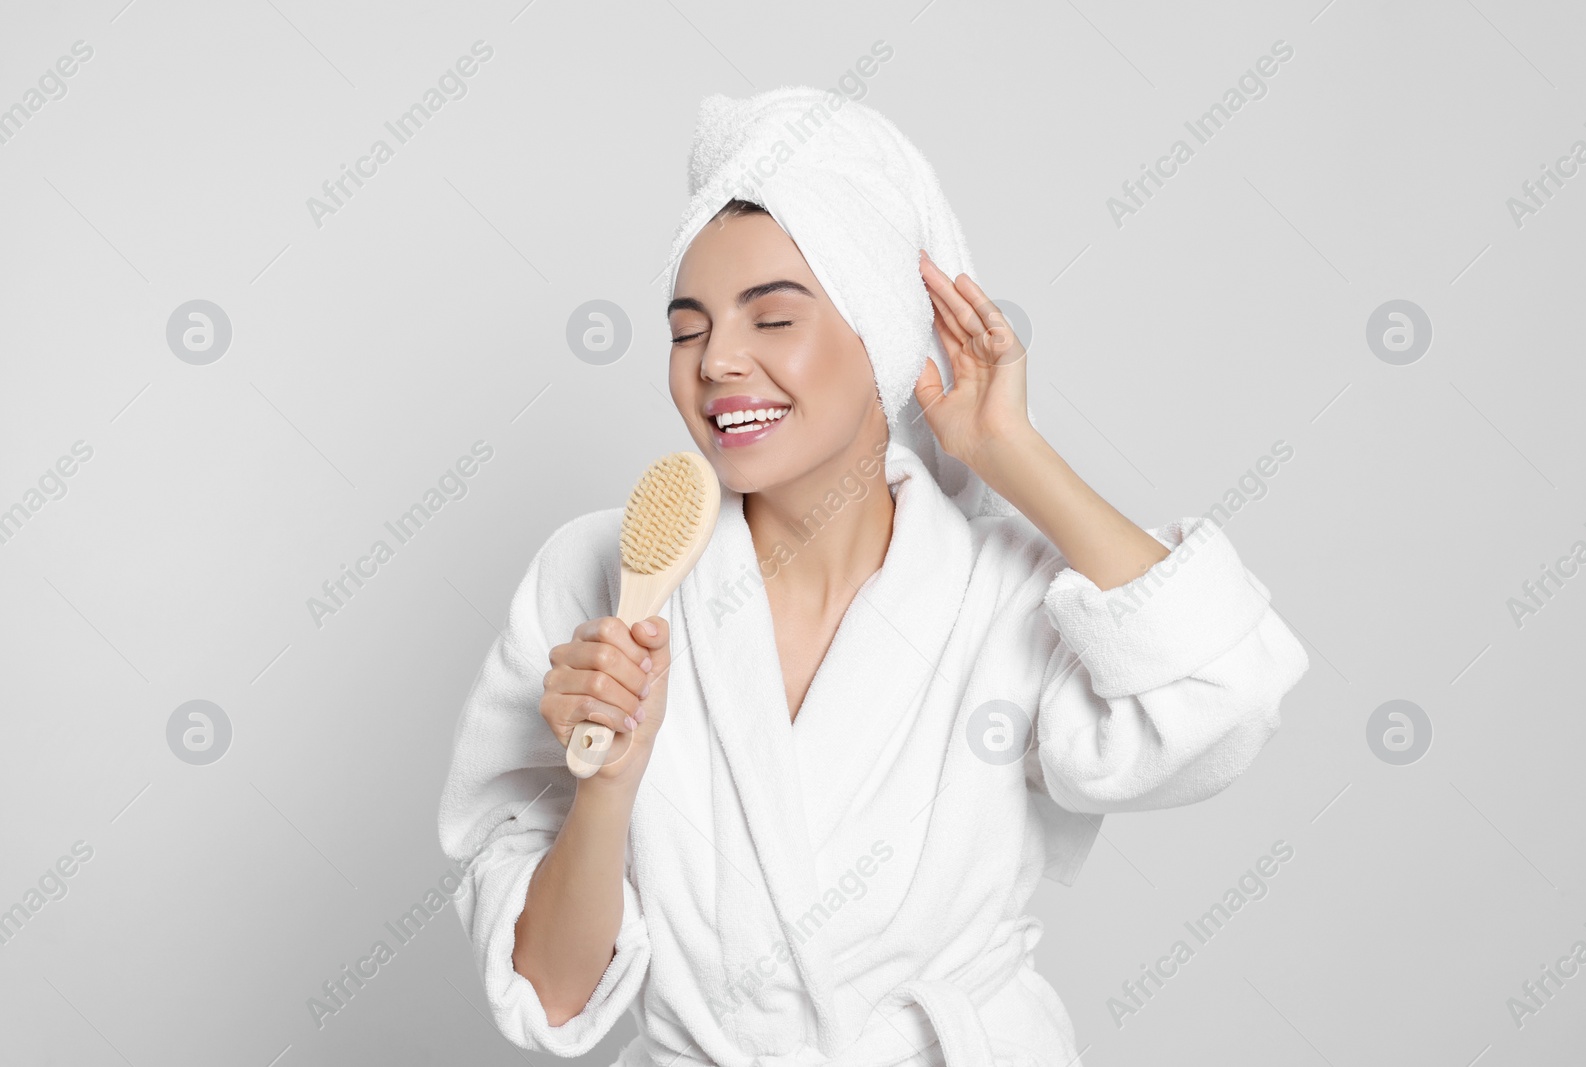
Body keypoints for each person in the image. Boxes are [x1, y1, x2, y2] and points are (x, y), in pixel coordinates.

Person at [438, 88, 1309, 1067]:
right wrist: (608, 784)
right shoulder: (597, 576)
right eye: (688, 329)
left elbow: (1221, 699)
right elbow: (549, 996)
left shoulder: (1005, 593)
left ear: (880, 335)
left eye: (773, 319)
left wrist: (1011, 452)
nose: (719, 359)